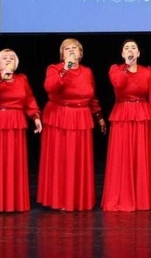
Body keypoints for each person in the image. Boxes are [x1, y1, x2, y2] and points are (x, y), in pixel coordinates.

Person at [37, 38, 106, 211]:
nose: (72, 51)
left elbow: (92, 97)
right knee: (61, 160)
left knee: (78, 161)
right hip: (60, 117)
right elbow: (50, 87)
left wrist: (99, 117)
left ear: (80, 53)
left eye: (75, 48)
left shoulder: (87, 72)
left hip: (81, 118)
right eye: (67, 49)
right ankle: (59, 199)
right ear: (62, 54)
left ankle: (78, 199)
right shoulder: (54, 69)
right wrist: (65, 69)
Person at [0, 49, 42, 212]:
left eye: (11, 58)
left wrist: (36, 117)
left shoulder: (22, 79)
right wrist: (0, 79)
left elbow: (29, 100)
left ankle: (14, 202)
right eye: (4, 58)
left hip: (15, 122)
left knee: (13, 162)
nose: (8, 60)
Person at [100, 39, 151, 211]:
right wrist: (126, 67)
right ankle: (121, 197)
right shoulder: (115, 69)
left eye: (133, 48)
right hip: (122, 114)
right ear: (122, 54)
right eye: (127, 48)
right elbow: (118, 83)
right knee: (122, 156)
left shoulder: (147, 72)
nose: (130, 50)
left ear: (138, 53)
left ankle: (141, 199)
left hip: (142, 114)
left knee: (140, 156)